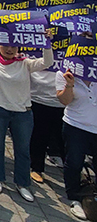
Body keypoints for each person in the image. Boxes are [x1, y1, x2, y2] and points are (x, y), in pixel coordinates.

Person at [0, 23, 54, 202]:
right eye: (5, 45)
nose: (9, 49)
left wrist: (47, 42)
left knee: (23, 150)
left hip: (22, 112)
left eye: (13, 46)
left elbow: (47, 62)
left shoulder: (25, 63)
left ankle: (22, 183)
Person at [56, 67, 97, 220]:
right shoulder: (64, 72)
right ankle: (74, 197)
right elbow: (64, 100)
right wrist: (70, 84)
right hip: (76, 125)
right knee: (74, 162)